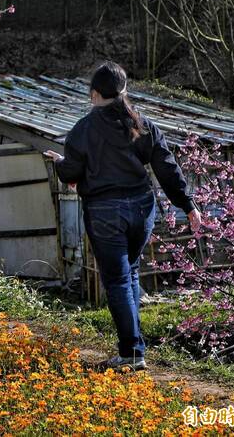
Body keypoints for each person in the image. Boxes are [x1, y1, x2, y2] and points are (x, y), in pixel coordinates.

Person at [43, 61, 202, 372]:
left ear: (93, 94)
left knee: (117, 280)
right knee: (129, 273)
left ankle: (131, 353)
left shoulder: (83, 130)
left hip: (104, 212)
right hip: (141, 209)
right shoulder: (142, 124)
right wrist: (188, 204)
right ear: (124, 90)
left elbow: (72, 172)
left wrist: (61, 163)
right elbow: (167, 168)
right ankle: (135, 347)